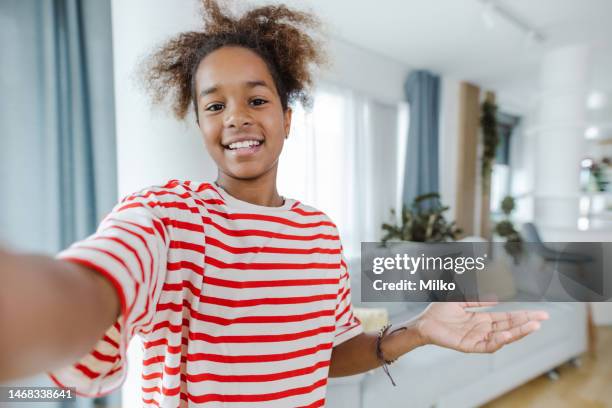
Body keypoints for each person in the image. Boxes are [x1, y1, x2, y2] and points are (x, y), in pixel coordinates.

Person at [0, 0, 549, 406]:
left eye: (257, 99)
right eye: (214, 105)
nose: (236, 116)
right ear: (199, 125)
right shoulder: (172, 216)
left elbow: (328, 354)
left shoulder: (318, 232)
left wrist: (420, 331)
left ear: (286, 119)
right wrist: (42, 300)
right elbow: (101, 276)